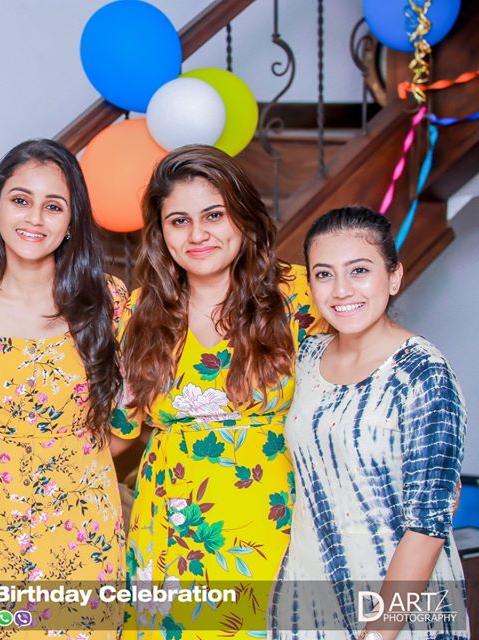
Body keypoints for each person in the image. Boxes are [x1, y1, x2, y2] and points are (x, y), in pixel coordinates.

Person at [112, 145, 326, 639]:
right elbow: (118, 431)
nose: (197, 234)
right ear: (161, 233)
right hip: (167, 538)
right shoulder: (138, 314)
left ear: (245, 217)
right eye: (179, 221)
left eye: (214, 215)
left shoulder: (301, 297)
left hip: (275, 529)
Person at [0, 139, 127, 639]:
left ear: (71, 220)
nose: (35, 218)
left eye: (53, 206)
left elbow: (130, 416)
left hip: (82, 526)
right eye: (21, 200)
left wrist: (69, 458)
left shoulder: (108, 300)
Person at [270, 206, 468, 639]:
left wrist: (379, 632)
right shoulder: (306, 357)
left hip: (402, 609)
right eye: (324, 274)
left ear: (394, 277)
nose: (341, 289)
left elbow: (427, 526)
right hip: (309, 598)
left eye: (359, 270)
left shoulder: (423, 373)